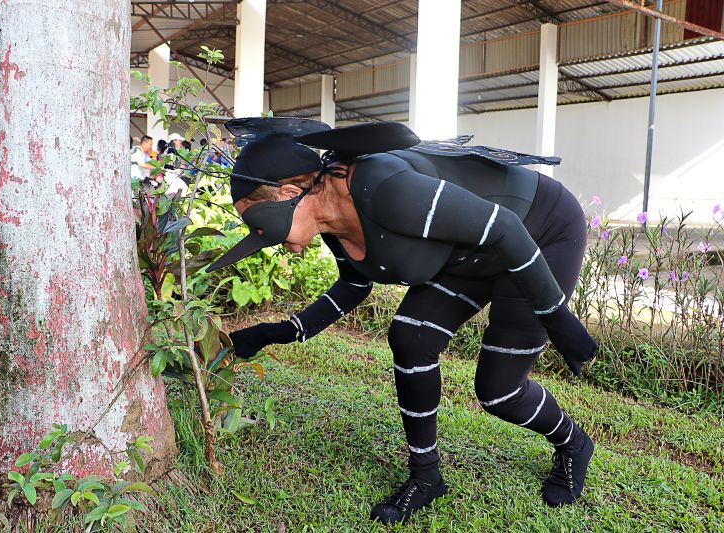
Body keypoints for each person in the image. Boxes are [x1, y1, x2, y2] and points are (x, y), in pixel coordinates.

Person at [210, 118, 598, 525]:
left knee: (499, 391)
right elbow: (353, 285)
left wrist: (556, 316)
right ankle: (426, 476)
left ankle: (573, 443)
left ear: (292, 193)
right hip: (468, 255)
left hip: (538, 232)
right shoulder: (330, 221)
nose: (267, 241)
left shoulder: (384, 188)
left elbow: (503, 227)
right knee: (410, 337)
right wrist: (282, 331)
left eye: (261, 226)